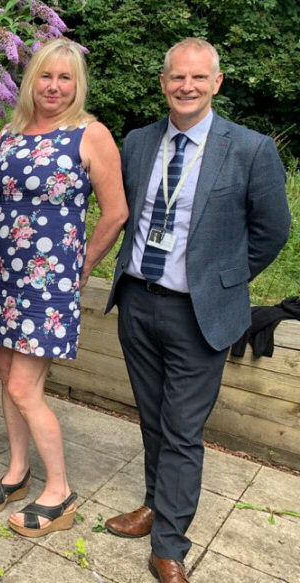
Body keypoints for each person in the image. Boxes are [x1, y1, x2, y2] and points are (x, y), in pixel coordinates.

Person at [103, 38, 290, 582]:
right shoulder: (138, 142)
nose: (186, 87)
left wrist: (222, 282)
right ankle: (154, 504)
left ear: (217, 82)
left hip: (199, 313)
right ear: (163, 83)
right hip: (138, 301)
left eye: (198, 78)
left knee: (183, 429)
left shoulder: (250, 149)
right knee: (153, 418)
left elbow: (272, 231)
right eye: (176, 77)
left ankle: (169, 544)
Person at [0, 38, 128, 538]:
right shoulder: (10, 134)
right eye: (46, 76)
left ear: (77, 85)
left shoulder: (90, 135)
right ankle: (18, 472)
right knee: (8, 379)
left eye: (65, 78)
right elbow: (7, 205)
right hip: (5, 275)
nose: (54, 87)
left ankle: (59, 491)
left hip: (49, 283)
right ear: (31, 79)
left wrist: (80, 269)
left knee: (24, 386)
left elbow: (116, 213)